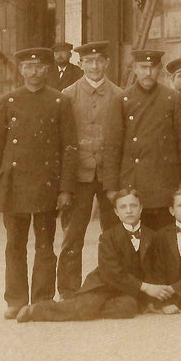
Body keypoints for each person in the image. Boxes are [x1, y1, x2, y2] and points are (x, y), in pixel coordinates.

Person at [0, 47, 77, 319]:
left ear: (47, 69)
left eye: (38, 66)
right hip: (14, 184)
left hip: (47, 185)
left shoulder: (60, 101)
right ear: (21, 70)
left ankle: (41, 298)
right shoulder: (9, 100)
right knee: (14, 244)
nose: (33, 72)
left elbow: (69, 148)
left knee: (45, 245)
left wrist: (65, 188)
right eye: (28, 66)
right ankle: (15, 299)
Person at [15, 189, 168, 322]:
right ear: (116, 212)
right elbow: (111, 273)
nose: (129, 211)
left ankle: (91, 310)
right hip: (103, 285)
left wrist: (158, 301)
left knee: (128, 307)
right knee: (87, 305)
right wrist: (145, 287)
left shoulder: (152, 237)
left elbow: (156, 272)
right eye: (123, 207)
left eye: (133, 206)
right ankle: (37, 310)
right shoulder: (108, 237)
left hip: (127, 290)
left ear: (141, 208)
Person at [57, 41, 123, 299]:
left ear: (107, 63)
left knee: (114, 234)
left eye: (99, 61)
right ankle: (68, 291)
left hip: (110, 176)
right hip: (79, 175)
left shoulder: (119, 95)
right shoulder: (68, 95)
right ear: (81, 64)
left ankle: (114, 286)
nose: (95, 66)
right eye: (89, 61)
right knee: (73, 235)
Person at [103, 49, 181, 231]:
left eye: (153, 68)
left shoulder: (172, 98)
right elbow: (112, 146)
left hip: (165, 184)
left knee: (165, 240)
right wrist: (111, 186)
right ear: (135, 69)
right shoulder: (122, 100)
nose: (148, 72)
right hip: (133, 185)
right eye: (143, 67)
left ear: (159, 69)